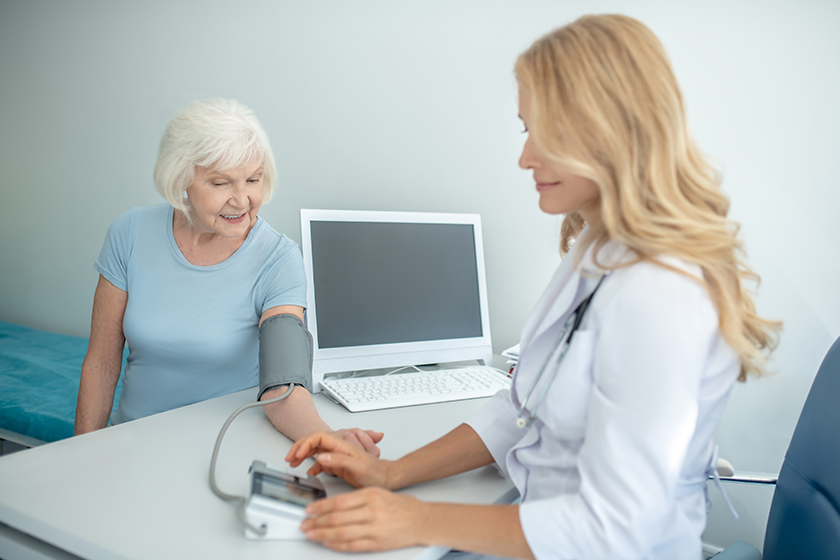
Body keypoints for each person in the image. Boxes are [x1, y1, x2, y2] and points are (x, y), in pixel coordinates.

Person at [284, 14, 781, 559]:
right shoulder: (597, 248)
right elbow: (521, 410)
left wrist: (418, 520)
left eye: (547, 133)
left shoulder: (662, 294)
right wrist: (391, 473)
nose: (525, 158)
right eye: (526, 129)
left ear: (610, 128)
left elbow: (616, 530)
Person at [74, 98, 382, 455]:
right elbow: (101, 360)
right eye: (221, 183)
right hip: (132, 440)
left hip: (223, 449)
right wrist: (81, 452)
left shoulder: (279, 259)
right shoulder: (130, 232)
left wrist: (323, 435)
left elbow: (283, 383)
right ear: (180, 179)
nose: (242, 200)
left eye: (253, 180)